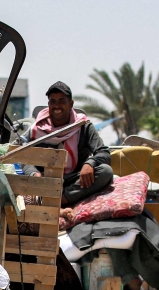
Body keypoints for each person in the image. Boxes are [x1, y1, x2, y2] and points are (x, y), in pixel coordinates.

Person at [25, 81, 113, 209]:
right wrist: (35, 174)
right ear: (48, 104)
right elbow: (24, 157)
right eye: (53, 102)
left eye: (61, 101)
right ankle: (49, 198)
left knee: (105, 172)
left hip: (74, 181)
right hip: (46, 181)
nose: (57, 106)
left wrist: (90, 163)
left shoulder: (83, 126)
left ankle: (62, 200)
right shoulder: (36, 129)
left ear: (70, 104)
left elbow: (104, 152)